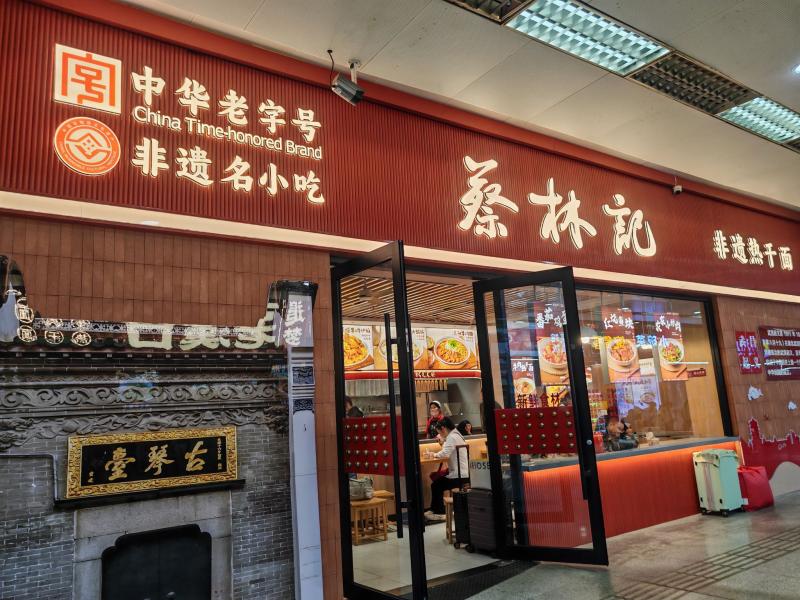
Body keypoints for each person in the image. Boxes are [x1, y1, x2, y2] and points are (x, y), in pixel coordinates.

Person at [423, 417, 468, 522]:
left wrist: (433, 454)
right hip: (464, 473)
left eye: (439, 432)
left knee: (436, 485)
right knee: (437, 483)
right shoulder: (457, 435)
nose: (440, 435)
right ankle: (436, 510)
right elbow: (448, 450)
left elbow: (445, 453)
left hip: (458, 476)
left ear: (443, 428)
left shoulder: (451, 437)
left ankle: (439, 513)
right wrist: (443, 442)